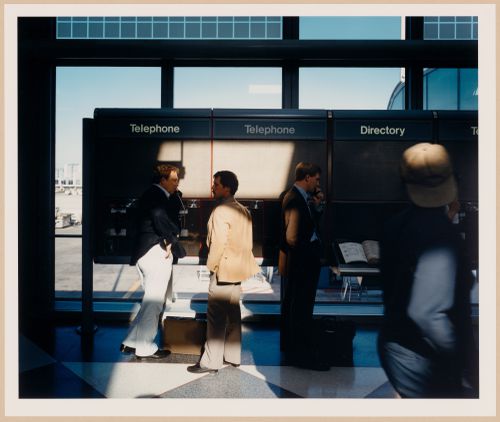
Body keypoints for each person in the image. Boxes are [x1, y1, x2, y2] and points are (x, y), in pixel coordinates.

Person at [378, 143, 477, 398]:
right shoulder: (442, 236)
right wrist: (465, 356)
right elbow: (427, 313)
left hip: (395, 346)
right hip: (426, 356)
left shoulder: (394, 226)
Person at [187, 171, 260, 374]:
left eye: (216, 184)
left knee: (216, 318)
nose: (213, 187)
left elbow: (217, 244)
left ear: (227, 188)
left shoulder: (220, 211)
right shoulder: (243, 210)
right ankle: (233, 356)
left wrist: (212, 267)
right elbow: (248, 243)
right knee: (233, 315)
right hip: (238, 269)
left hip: (223, 269)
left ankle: (211, 362)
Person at [120, 164, 186, 359]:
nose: (177, 182)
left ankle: (131, 342)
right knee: (155, 302)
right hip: (155, 252)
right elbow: (158, 216)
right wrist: (170, 240)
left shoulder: (151, 194)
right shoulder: (157, 196)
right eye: (173, 179)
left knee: (149, 301)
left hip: (144, 253)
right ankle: (145, 346)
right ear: (162, 181)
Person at [279, 162, 330, 371]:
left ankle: (296, 351)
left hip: (301, 263)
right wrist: (311, 252)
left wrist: (317, 208)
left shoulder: (301, 198)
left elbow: (306, 227)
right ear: (307, 178)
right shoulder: (294, 198)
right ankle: (301, 355)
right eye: (316, 179)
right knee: (301, 310)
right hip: (301, 264)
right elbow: (292, 237)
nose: (318, 183)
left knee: (300, 308)